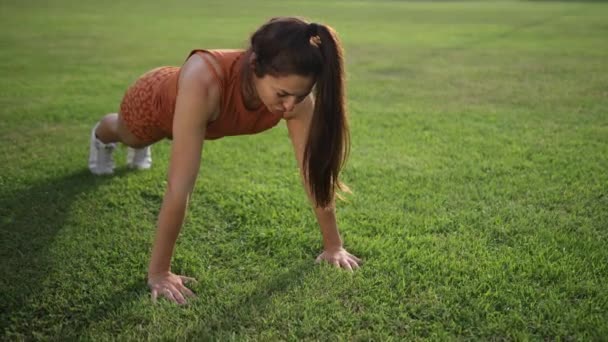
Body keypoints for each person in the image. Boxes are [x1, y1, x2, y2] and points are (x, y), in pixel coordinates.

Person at [88, 16, 362, 304]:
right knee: (130, 135)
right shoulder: (203, 79)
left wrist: (333, 246)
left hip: (192, 120)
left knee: (160, 139)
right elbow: (179, 187)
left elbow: (312, 170)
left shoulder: (292, 99)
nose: (290, 106)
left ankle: (139, 149)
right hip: (153, 105)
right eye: (282, 94)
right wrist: (159, 272)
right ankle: (100, 136)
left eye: (301, 95)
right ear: (255, 66)